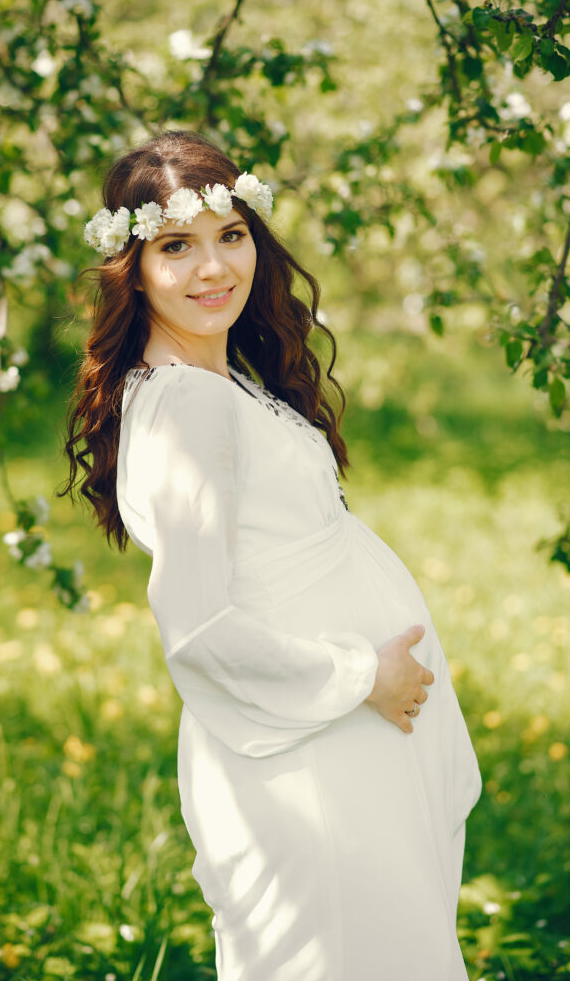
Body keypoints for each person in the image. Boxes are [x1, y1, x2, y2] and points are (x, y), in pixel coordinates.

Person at [60, 129, 482, 981]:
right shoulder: (188, 408)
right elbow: (200, 628)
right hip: (311, 754)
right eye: (177, 247)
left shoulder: (216, 381)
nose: (213, 269)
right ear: (132, 267)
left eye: (231, 235)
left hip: (333, 747)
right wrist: (362, 674)